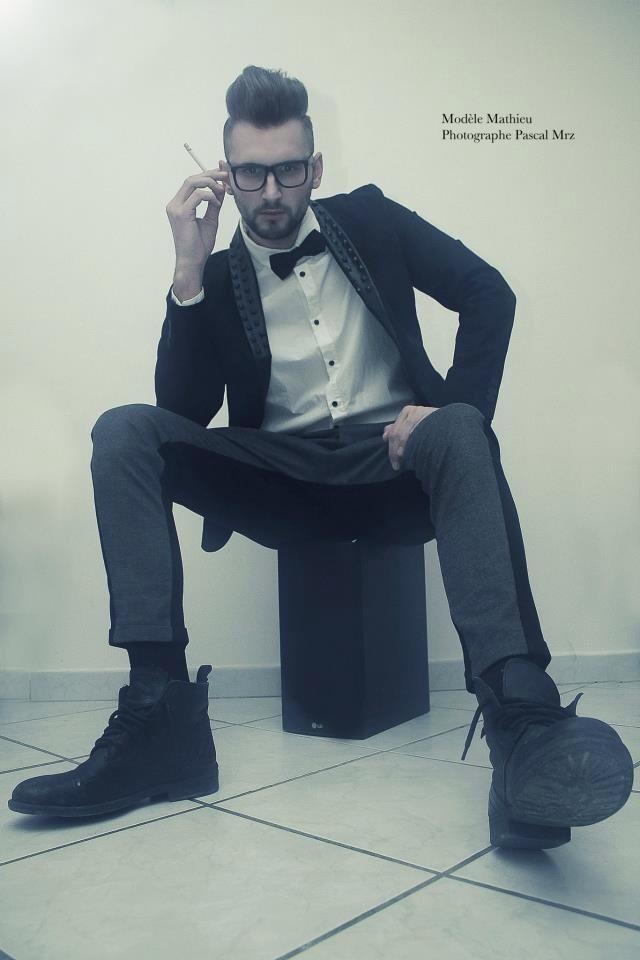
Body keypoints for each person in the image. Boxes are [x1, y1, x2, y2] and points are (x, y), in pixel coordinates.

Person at [9, 66, 633, 848]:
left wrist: (446, 410)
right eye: (252, 174)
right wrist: (188, 271)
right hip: (283, 481)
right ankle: (158, 714)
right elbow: (184, 415)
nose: (271, 192)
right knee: (126, 430)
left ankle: (523, 726)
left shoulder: (371, 219)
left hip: (396, 468)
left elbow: (489, 293)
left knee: (461, 426)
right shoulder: (219, 272)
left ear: (316, 168)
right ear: (225, 176)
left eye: (289, 170)